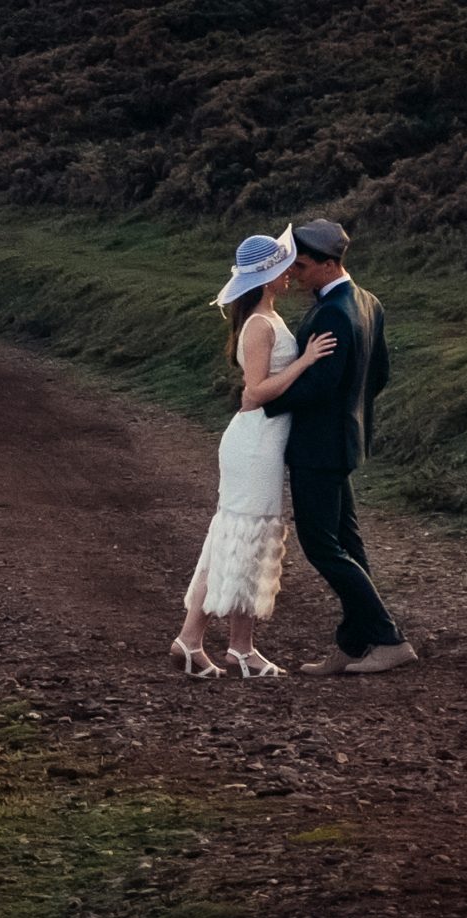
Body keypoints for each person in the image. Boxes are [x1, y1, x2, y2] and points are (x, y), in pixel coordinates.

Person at [170, 227, 337, 678]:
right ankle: (231, 648)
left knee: (238, 539)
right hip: (255, 444)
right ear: (267, 277)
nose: (290, 273)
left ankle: (202, 642)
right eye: (283, 268)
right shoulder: (260, 325)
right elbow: (256, 392)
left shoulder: (266, 318)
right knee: (245, 539)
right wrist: (305, 361)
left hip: (261, 442)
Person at [260, 219, 414, 675]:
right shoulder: (368, 301)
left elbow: (320, 384)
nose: (295, 273)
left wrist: (265, 400)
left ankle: (388, 638)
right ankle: (354, 642)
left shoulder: (332, 312)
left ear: (329, 265)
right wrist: (352, 413)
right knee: (347, 543)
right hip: (345, 440)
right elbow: (379, 375)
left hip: (318, 446)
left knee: (322, 545)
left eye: (303, 266)